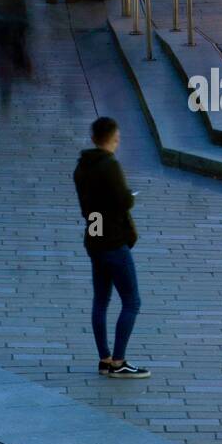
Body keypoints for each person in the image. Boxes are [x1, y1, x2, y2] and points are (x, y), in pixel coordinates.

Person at [73, 117, 149, 379]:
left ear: (93, 138)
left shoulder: (82, 166)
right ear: (113, 138)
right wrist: (128, 197)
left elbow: (92, 204)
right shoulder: (110, 165)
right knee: (132, 301)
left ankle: (104, 359)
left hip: (94, 238)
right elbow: (124, 200)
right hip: (113, 241)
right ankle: (119, 362)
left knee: (101, 300)